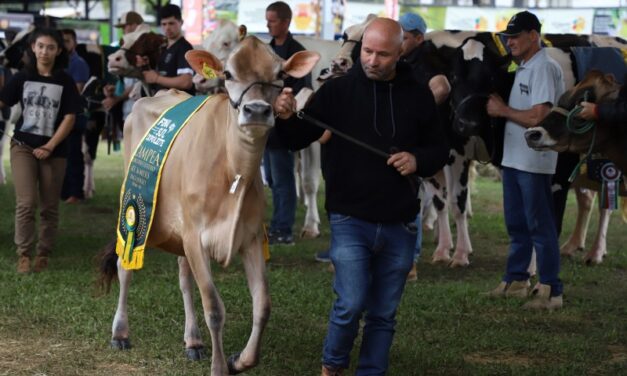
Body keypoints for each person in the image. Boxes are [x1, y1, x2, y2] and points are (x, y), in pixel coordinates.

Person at [274, 18, 449, 375]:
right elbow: (296, 138)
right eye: (367, 51)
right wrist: (286, 117)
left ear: (400, 52)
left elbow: (439, 148)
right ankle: (333, 367)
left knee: (383, 313)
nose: (372, 60)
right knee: (351, 304)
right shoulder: (338, 91)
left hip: (400, 221)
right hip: (350, 218)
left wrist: (418, 159)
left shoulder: (416, 94)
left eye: (383, 54)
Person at [485, 11, 565, 309]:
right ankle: (517, 279)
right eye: (507, 36)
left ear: (534, 35)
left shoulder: (544, 67)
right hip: (515, 160)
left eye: (515, 36)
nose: (509, 41)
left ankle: (551, 289)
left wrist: (503, 111)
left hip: (533, 162)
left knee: (539, 225)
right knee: (517, 224)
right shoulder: (524, 66)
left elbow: (539, 117)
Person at [0, 28, 82, 273]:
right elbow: (4, 101)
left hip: (54, 150)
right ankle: (24, 254)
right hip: (23, 146)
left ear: (58, 51)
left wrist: (50, 145)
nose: (45, 51)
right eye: (41, 46)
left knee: (49, 206)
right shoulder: (23, 77)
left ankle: (43, 252)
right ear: (33, 48)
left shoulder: (64, 80)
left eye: (50, 47)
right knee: (26, 203)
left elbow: (70, 117)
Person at [399, 12, 452, 280]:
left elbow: (441, 87)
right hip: (413, 140)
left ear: (419, 37)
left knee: (412, 197)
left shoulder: (426, 59)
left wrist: (415, 116)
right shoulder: (406, 58)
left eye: (405, 36)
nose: (400, 40)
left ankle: (411, 260)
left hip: (420, 142)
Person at [264, 1, 313, 245]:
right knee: (272, 179)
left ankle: (284, 229)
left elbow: (303, 92)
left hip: (284, 127)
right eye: (267, 20)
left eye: (272, 20)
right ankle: (276, 225)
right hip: (264, 126)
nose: (268, 24)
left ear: (285, 22)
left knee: (283, 179)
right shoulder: (265, 51)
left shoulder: (298, 54)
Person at [60, 28, 90, 204]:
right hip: (60, 117)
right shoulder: (60, 63)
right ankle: (64, 192)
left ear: (74, 43)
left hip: (73, 117)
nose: (64, 44)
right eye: (62, 40)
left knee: (73, 155)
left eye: (67, 40)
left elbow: (77, 91)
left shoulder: (78, 63)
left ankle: (76, 193)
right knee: (62, 155)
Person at [139, 4, 194, 95]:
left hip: (180, 105)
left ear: (181, 22)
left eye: (171, 23)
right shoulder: (163, 47)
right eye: (164, 24)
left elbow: (186, 82)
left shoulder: (184, 47)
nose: (167, 28)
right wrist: (146, 65)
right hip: (163, 103)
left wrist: (156, 79)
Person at [102, 11, 145, 120]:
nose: (123, 30)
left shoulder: (145, 49)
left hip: (142, 111)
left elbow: (139, 81)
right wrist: (115, 89)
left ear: (135, 25)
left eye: (125, 26)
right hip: (129, 110)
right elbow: (128, 81)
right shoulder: (127, 49)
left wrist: (115, 99)